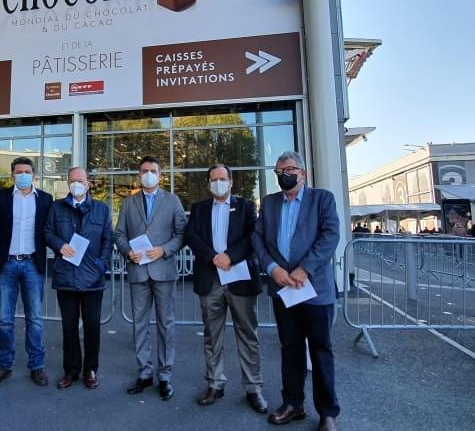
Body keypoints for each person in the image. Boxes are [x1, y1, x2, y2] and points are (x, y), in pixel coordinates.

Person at [252, 151, 341, 431]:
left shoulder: (322, 199)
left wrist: (305, 268)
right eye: (280, 171)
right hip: (283, 290)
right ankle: (292, 404)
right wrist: (272, 268)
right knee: (290, 349)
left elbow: (330, 235)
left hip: (314, 290)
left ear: (302, 173)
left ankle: (327, 412)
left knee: (320, 350)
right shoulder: (268, 203)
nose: (285, 175)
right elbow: (257, 238)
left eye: (290, 169)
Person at [184, 164, 267, 413]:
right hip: (210, 280)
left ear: (231, 182)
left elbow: (253, 236)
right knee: (212, 336)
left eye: (222, 178)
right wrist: (212, 257)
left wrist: (230, 256)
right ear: (209, 183)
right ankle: (215, 383)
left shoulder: (246, 206)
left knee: (248, 335)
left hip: (239, 278)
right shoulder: (199, 209)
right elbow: (191, 236)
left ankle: (254, 388)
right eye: (213, 179)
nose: (218, 182)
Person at [115, 156, 187, 400]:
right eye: (144, 171)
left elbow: (181, 233)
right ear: (139, 175)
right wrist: (127, 251)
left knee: (166, 324)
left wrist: (164, 249)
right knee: (140, 325)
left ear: (160, 174)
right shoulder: (129, 202)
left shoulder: (172, 200)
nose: (149, 174)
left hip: (163, 270)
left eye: (153, 171)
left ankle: (165, 375)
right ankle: (145, 373)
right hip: (138, 271)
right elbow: (119, 234)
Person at [0, 157, 53, 388]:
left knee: (35, 319)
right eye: (18, 171)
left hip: (32, 264)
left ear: (34, 174)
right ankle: (4, 365)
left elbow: (49, 230)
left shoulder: (45, 199)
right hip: (6, 265)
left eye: (27, 171)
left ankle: (37, 366)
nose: (23, 175)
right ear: (12, 174)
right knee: (4, 320)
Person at [44, 167, 113, 390]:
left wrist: (102, 264)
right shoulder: (57, 208)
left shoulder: (101, 209)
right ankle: (71, 370)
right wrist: (59, 245)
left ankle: (90, 369)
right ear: (68, 183)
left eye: (80, 180)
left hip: (93, 278)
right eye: (72, 180)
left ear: (88, 184)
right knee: (69, 327)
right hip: (66, 275)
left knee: (92, 325)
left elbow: (107, 239)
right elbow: (47, 232)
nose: (76, 184)